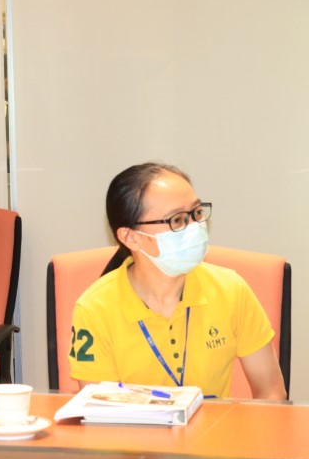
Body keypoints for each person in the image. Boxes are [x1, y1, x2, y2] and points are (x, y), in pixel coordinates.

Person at [68, 162, 286, 400]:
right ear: (131, 237)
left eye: (197, 213)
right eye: (177, 220)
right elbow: (100, 409)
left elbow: (272, 392)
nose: (195, 227)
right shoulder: (94, 309)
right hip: (131, 426)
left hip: (218, 425)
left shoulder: (231, 290)